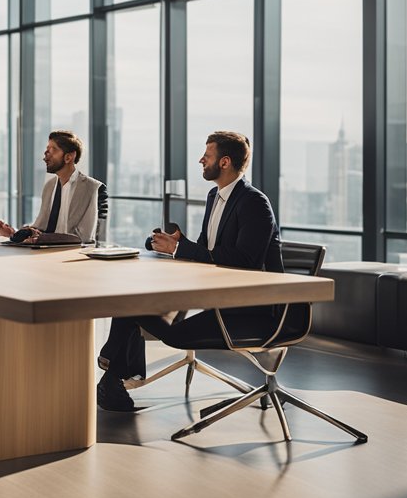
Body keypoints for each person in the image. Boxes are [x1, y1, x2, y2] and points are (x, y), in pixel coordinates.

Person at [95, 131, 284, 412]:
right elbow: (209, 252)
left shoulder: (254, 202)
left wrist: (181, 249)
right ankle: (113, 379)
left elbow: (244, 260)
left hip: (247, 311)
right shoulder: (214, 196)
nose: (201, 160)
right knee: (131, 302)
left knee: (169, 331)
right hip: (218, 298)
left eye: (207, 156)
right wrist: (174, 244)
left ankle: (111, 367)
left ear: (225, 162)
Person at [0, 130, 100, 243]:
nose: (45, 154)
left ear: (68, 157)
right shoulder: (49, 186)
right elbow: (41, 227)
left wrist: (42, 239)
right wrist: (14, 234)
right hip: (44, 250)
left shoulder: (90, 187)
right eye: (47, 149)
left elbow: (84, 237)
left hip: (71, 253)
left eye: (52, 149)